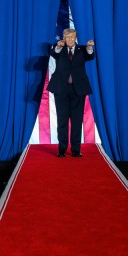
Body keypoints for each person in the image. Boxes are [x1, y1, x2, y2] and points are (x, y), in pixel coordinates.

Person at [47, 28, 95, 158]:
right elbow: (54, 53)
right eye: (67, 37)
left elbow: (90, 55)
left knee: (77, 120)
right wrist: (58, 46)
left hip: (78, 90)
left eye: (72, 37)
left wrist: (90, 47)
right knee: (62, 120)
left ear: (76, 38)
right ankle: (61, 149)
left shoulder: (82, 50)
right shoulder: (58, 48)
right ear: (63, 38)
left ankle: (75, 150)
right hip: (61, 90)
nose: (69, 39)